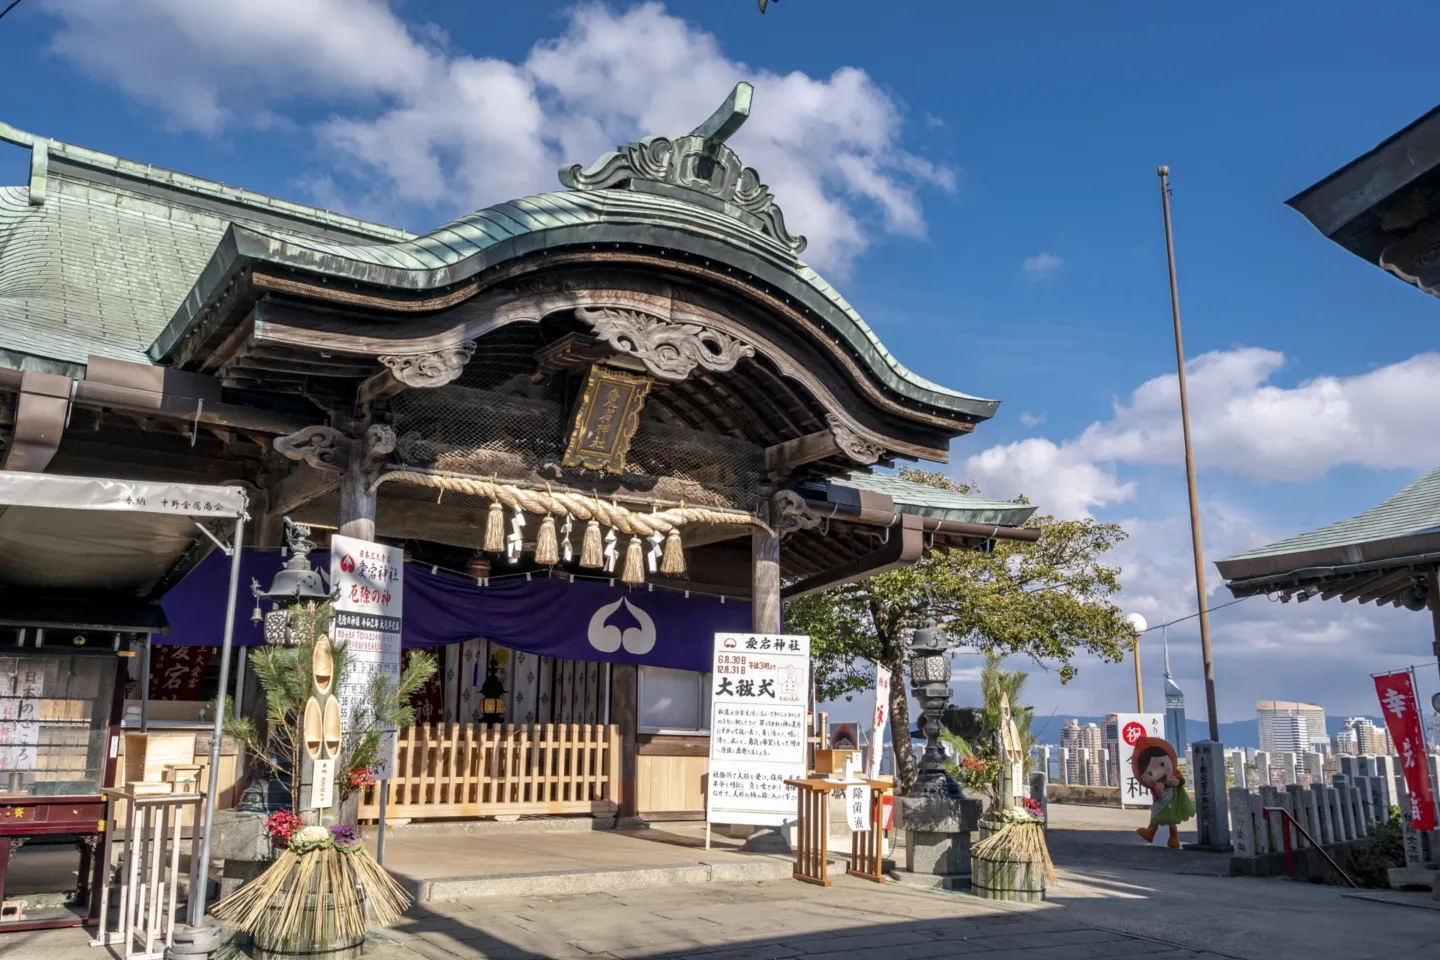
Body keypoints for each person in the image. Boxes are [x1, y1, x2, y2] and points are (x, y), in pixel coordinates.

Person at [1132, 736, 1194, 848]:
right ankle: (1151, 832)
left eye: (1162, 764)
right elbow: (1156, 793)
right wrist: (1158, 789)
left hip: (1172, 800)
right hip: (1160, 801)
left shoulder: (1173, 774)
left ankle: (1173, 837)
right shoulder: (1155, 784)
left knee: (1171, 819)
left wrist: (1174, 782)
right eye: (1149, 773)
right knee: (1155, 815)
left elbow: (1180, 781)